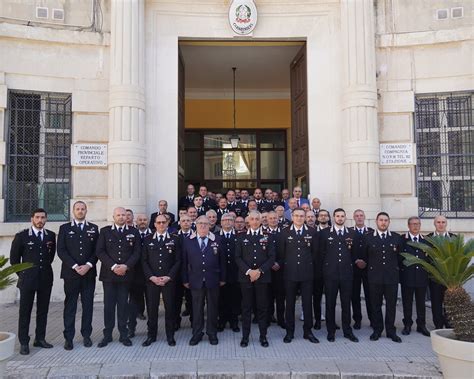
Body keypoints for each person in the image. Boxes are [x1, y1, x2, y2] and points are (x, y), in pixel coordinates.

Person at [10, 208, 56, 355]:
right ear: (32, 219)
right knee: (25, 311)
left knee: (43, 311)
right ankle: (24, 342)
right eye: (37, 217)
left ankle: (40, 338)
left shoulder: (50, 235)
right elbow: (14, 261)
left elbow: (51, 257)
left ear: (46, 219)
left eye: (43, 217)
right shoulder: (21, 236)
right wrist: (23, 275)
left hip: (45, 279)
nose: (40, 220)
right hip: (27, 280)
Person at [96, 207, 141, 347]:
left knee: (123, 305)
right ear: (113, 216)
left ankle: (123, 334)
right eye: (119, 215)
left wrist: (126, 266)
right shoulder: (105, 231)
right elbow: (100, 251)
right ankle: (107, 335)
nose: (122, 217)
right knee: (109, 306)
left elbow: (137, 252)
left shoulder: (133, 232)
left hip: (126, 275)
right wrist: (114, 266)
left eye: (124, 215)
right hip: (109, 275)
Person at [57, 201, 99, 350]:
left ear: (86, 210)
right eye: (78, 209)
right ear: (73, 211)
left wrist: (88, 265)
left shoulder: (93, 228)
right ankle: (68, 338)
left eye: (83, 209)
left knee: (88, 305)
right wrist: (75, 266)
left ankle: (86, 335)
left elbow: (97, 251)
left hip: (88, 274)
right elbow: (61, 250)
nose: (80, 211)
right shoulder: (65, 228)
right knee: (70, 306)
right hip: (71, 274)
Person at [182, 216, 226, 346]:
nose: (203, 226)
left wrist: (223, 278)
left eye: (205, 224)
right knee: (196, 309)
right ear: (195, 224)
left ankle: (212, 333)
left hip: (213, 280)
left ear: (209, 226)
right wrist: (185, 279)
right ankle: (197, 334)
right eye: (200, 223)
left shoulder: (218, 239)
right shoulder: (187, 241)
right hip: (195, 280)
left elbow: (222, 261)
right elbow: (184, 262)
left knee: (213, 308)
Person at [235, 210, 275, 348]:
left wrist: (259, 271)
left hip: (262, 278)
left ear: (260, 220)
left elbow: (271, 257)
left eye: (257, 219)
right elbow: (237, 257)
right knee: (246, 308)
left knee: (262, 308)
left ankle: (263, 336)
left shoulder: (268, 236)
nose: (255, 221)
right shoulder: (241, 237)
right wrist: (249, 271)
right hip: (246, 278)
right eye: (252, 219)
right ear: (248, 221)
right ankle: (245, 337)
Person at [278, 208, 319, 344]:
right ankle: (290, 332)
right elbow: (281, 254)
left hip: (307, 274)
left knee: (307, 304)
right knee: (289, 304)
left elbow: (315, 253)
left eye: (302, 216)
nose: (299, 218)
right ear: (292, 217)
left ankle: (308, 331)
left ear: (305, 217)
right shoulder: (284, 232)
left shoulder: (312, 232)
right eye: (297, 216)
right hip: (290, 274)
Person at [319, 208, 359, 342]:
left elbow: (355, 255)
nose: (340, 218)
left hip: (347, 275)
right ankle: (331, 331)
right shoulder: (324, 233)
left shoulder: (352, 233)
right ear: (333, 217)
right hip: (330, 275)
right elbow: (321, 254)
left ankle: (347, 330)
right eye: (337, 216)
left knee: (346, 304)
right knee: (330, 303)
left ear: (345, 218)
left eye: (342, 216)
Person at [141, 214, 182, 347]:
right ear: (154, 224)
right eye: (158, 222)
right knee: (152, 310)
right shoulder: (147, 239)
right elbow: (144, 261)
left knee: (170, 310)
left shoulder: (175, 239)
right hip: (152, 281)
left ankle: (170, 336)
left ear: (168, 224)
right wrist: (152, 277)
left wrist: (169, 276)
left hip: (168, 281)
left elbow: (178, 261)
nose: (161, 225)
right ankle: (151, 336)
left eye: (164, 222)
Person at [362, 212, 403, 343]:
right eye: (381, 220)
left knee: (391, 305)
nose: (383, 222)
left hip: (391, 277)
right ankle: (377, 330)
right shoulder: (368, 238)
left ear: (389, 222)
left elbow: (400, 258)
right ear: (376, 221)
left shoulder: (396, 238)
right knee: (375, 305)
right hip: (375, 277)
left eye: (386, 220)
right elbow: (365, 257)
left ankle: (391, 331)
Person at [400, 216, 430, 337]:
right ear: (408, 226)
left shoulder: (426, 241)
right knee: (407, 302)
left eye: (417, 224)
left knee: (421, 302)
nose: (415, 226)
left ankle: (421, 325)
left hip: (421, 277)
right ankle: (407, 324)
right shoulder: (402, 240)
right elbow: (398, 258)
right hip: (407, 277)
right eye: (413, 224)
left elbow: (428, 259)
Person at [426, 215, 456, 329]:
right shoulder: (428, 239)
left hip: (450, 278)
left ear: (446, 224)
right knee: (436, 302)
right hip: (435, 277)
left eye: (443, 222)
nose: (441, 224)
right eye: (438, 222)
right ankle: (438, 324)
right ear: (434, 224)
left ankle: (449, 323)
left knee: (449, 302)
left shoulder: (454, 238)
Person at [349, 209, 373, 330]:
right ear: (353, 217)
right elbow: (347, 251)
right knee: (355, 296)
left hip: (368, 269)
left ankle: (372, 319)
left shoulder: (371, 232)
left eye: (361, 216)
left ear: (364, 217)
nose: (359, 218)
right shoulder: (349, 232)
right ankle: (357, 320)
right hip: (354, 269)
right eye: (357, 216)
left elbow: (374, 251)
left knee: (370, 295)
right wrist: (356, 261)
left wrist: (366, 262)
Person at [127, 214, 151, 337]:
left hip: (151, 275)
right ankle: (131, 329)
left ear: (148, 221)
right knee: (133, 303)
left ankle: (151, 330)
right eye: (140, 220)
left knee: (152, 304)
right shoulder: (131, 234)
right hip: (135, 275)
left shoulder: (154, 234)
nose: (142, 222)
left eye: (145, 219)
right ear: (136, 221)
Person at [217, 213, 241, 332]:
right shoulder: (215, 236)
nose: (227, 222)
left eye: (230, 220)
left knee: (234, 299)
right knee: (221, 299)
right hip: (220, 274)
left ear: (233, 222)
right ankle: (221, 321)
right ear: (220, 222)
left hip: (235, 274)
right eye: (224, 220)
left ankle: (234, 321)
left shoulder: (239, 236)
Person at [266, 211, 285, 328]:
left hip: (280, 270)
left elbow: (288, 252)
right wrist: (270, 264)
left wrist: (279, 263)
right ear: (267, 220)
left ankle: (281, 319)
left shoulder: (284, 233)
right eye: (271, 218)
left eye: (275, 218)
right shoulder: (263, 233)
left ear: (278, 219)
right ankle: (268, 318)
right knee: (267, 296)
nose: (273, 220)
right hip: (267, 270)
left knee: (280, 297)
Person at [175, 214, 193, 329]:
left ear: (191, 223)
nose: (186, 222)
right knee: (176, 300)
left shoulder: (196, 235)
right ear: (179, 223)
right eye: (183, 221)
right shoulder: (174, 236)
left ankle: (194, 322)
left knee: (192, 300)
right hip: (177, 273)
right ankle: (176, 322)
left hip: (192, 273)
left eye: (188, 220)